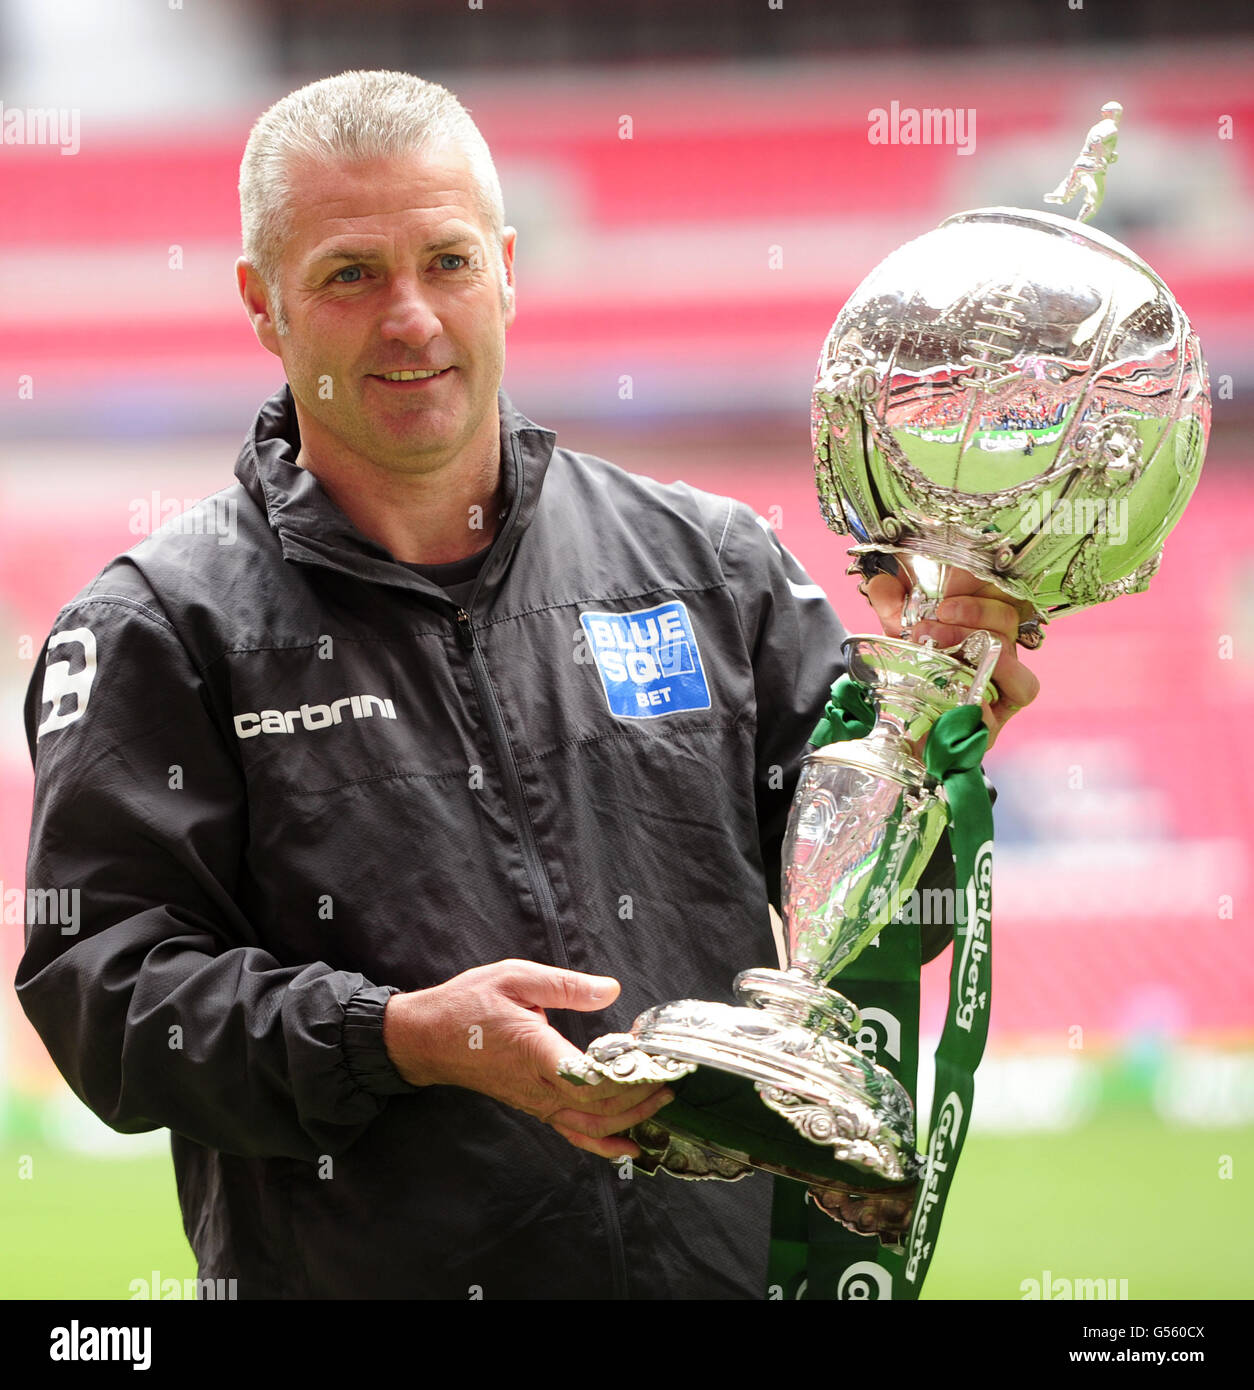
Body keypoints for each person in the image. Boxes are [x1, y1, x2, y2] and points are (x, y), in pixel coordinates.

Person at [15, 70, 1038, 1299]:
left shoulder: (708, 564)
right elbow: (104, 1001)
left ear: (505, 268)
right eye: (351, 274)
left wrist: (931, 727)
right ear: (262, 304)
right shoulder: (162, 625)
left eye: (445, 262)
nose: (411, 319)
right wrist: (399, 1040)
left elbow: (884, 919)